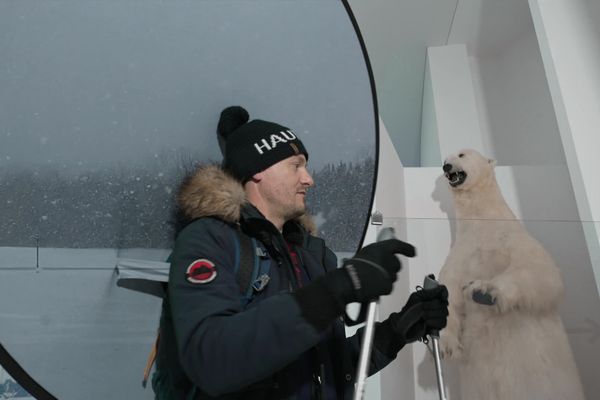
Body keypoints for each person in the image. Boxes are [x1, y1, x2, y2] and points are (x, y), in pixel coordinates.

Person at [153, 106, 449, 399]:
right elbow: (212, 361)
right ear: (257, 171)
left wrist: (397, 330)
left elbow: (326, 370)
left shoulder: (307, 254)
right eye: (296, 165)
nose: (309, 179)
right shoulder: (209, 240)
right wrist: (336, 289)